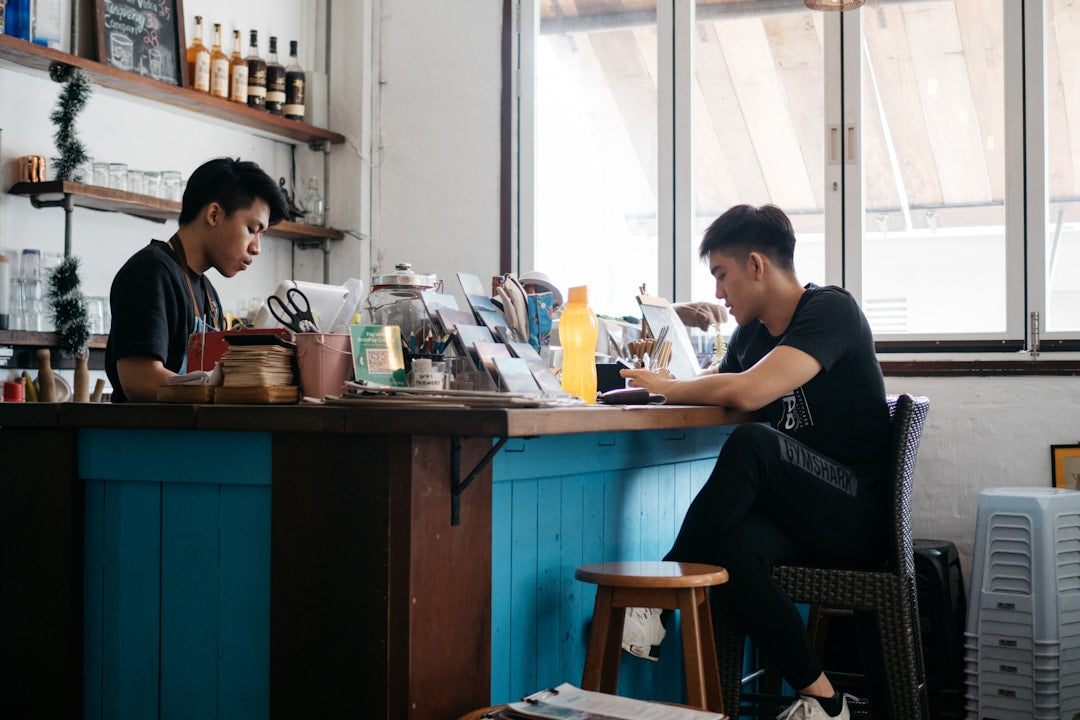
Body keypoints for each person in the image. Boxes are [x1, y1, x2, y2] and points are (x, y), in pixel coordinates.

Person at [619, 204, 891, 720]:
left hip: (857, 514)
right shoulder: (749, 337)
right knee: (728, 548)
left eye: (721, 274)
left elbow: (748, 391)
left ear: (756, 265)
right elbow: (715, 389)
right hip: (802, 518)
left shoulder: (830, 310)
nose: (719, 293)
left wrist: (671, 388)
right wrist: (660, 386)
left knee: (755, 443)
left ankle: (658, 595)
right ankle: (825, 701)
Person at [105, 157, 289, 403]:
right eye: (252, 230)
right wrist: (220, 394)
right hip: (146, 428)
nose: (257, 248)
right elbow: (139, 380)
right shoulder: (150, 272)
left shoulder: (208, 293)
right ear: (214, 214)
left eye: (261, 235)